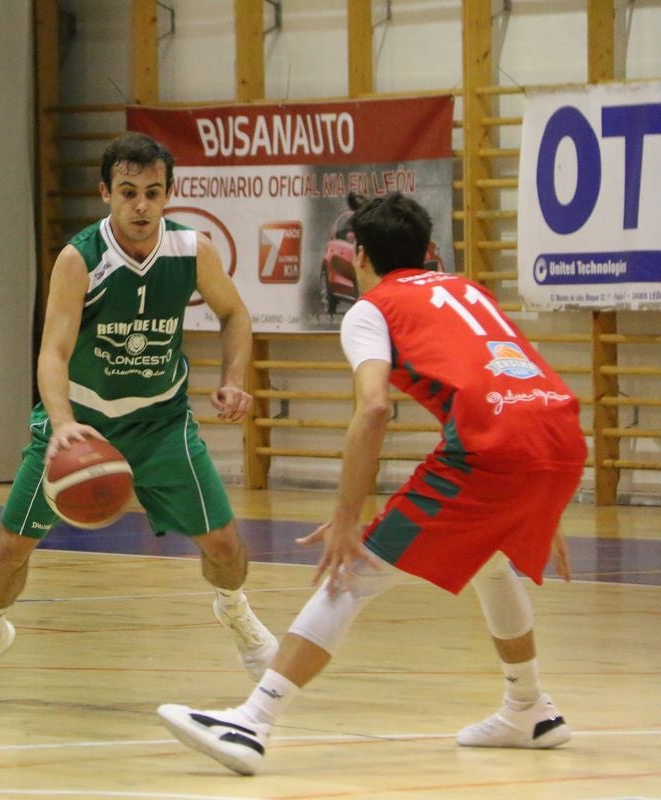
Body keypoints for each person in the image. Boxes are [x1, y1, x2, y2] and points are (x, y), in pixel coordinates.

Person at [157, 192, 587, 775]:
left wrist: (345, 518)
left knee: (351, 572)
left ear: (356, 255)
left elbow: (375, 407)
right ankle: (529, 709)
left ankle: (252, 722)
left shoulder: (373, 309)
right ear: (429, 252)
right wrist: (544, 495)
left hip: (493, 454)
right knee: (488, 560)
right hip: (558, 438)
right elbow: (520, 380)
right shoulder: (468, 289)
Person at [0, 132, 279, 705]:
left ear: (169, 194)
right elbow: (53, 352)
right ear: (105, 194)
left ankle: (235, 612)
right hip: (82, 426)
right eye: (127, 192)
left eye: (152, 192)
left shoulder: (192, 250)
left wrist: (233, 380)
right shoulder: (81, 259)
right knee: (7, 552)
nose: (140, 206)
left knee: (225, 546)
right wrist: (64, 422)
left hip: (162, 425)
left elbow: (235, 313)